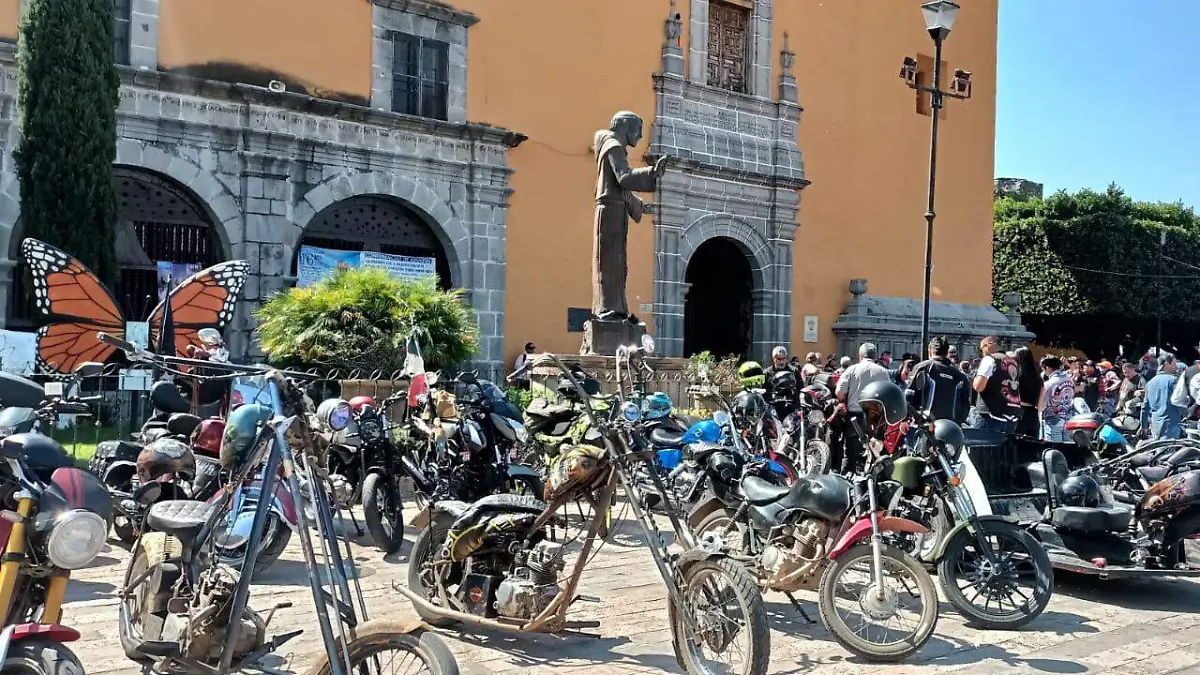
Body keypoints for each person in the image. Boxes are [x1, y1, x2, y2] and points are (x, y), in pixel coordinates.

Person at [835, 342, 891, 473]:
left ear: (860, 355)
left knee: (850, 455)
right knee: (877, 453)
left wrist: (843, 400)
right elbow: (888, 392)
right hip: (875, 418)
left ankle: (846, 483)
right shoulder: (882, 371)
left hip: (855, 417)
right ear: (875, 356)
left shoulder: (852, 369)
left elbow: (839, 392)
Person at [906, 336, 970, 424]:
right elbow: (966, 403)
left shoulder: (924, 367)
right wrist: (959, 422)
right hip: (951, 427)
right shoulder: (959, 375)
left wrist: (906, 419)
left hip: (926, 426)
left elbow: (909, 395)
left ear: (930, 351)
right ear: (946, 352)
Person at [970, 335, 1021, 433]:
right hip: (1012, 416)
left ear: (989, 344)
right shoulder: (1014, 362)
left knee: (982, 447)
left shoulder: (989, 359)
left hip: (991, 414)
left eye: (982, 349)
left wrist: (975, 379)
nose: (982, 353)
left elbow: (979, 386)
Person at [1142, 353, 1183, 440]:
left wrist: (1143, 426)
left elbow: (1145, 407)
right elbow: (1180, 400)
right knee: (1168, 452)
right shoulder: (1173, 380)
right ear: (1167, 364)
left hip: (1155, 424)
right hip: (1170, 424)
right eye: (1174, 364)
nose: (1176, 367)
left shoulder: (1150, 383)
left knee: (1158, 450)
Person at [1039, 357, 1074, 441]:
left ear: (1047, 368)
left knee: (1055, 448)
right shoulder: (1070, 380)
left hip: (1053, 419)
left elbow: (1041, 406)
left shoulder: (1048, 384)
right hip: (1069, 418)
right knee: (1067, 449)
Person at [1014, 347, 1043, 437]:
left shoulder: (1016, 375)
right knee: (1033, 445)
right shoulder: (1038, 377)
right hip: (1033, 414)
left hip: (1018, 411)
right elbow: (1040, 404)